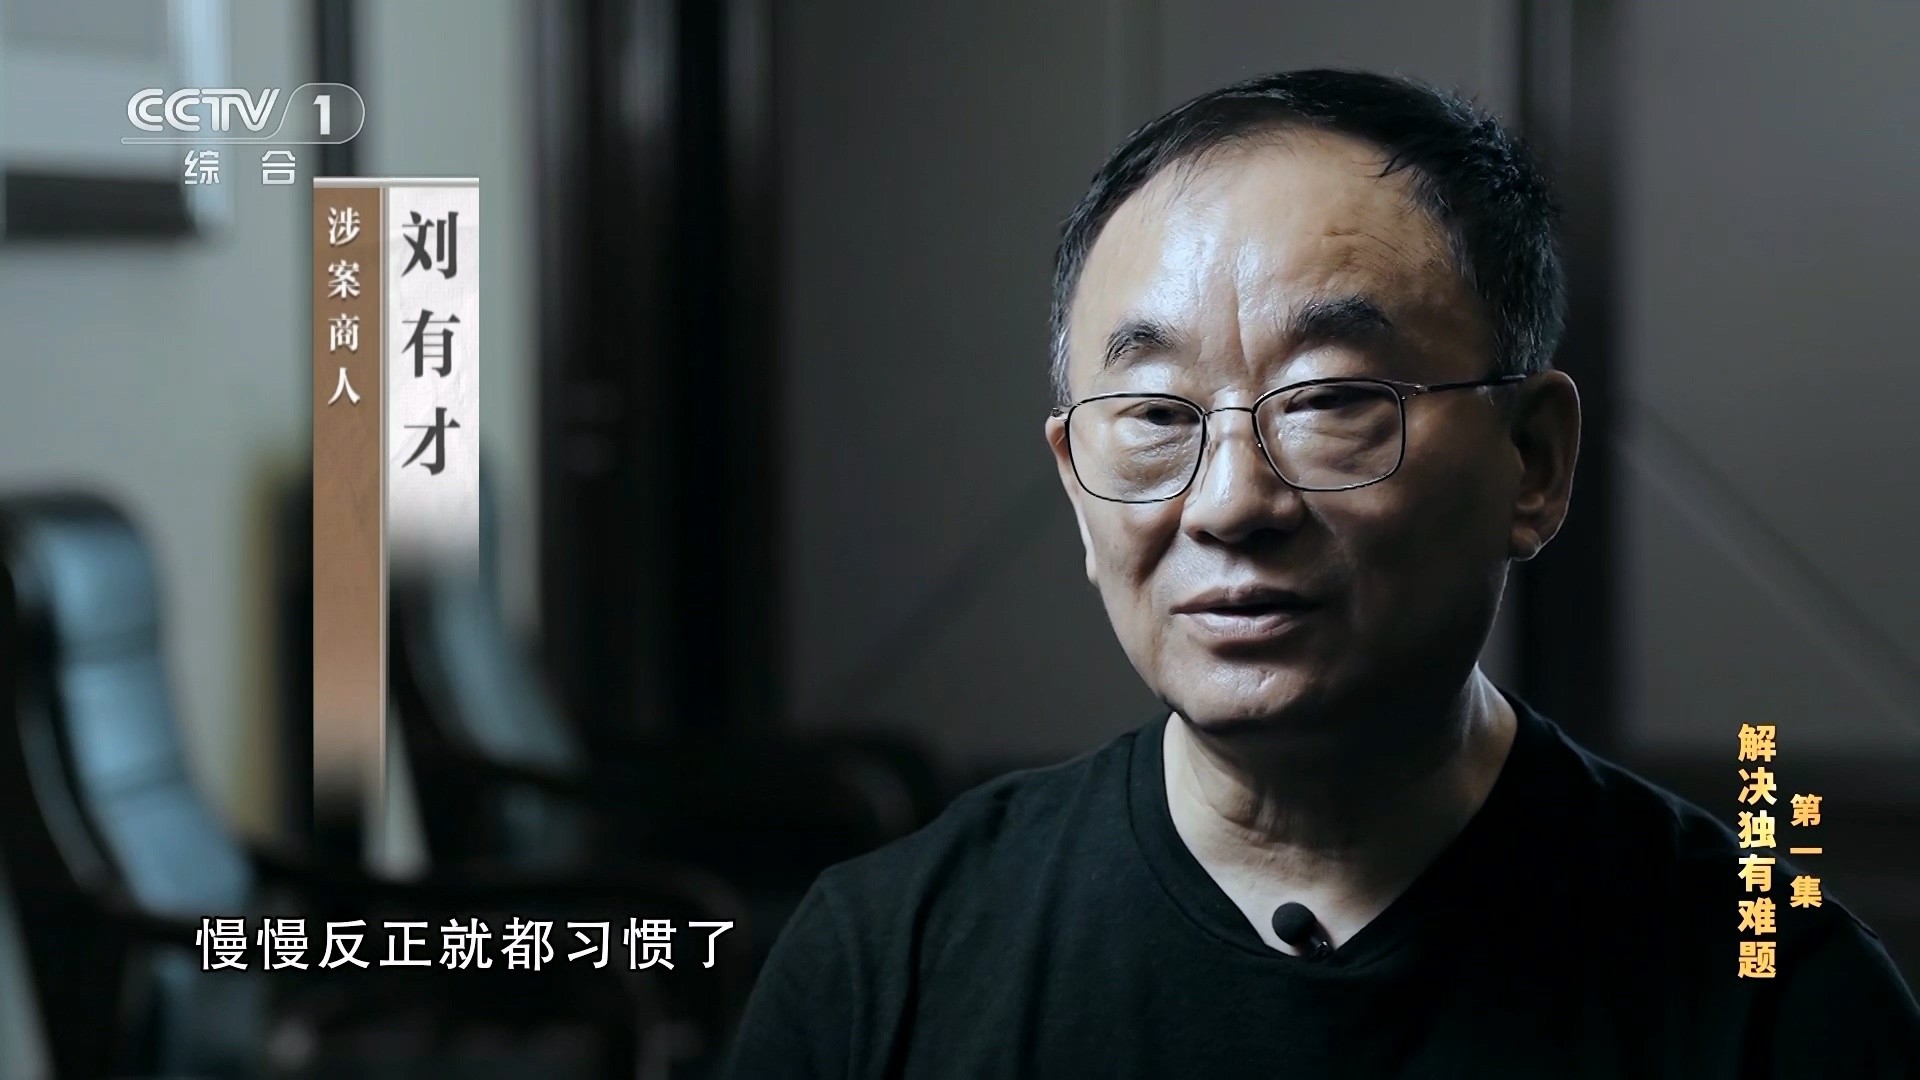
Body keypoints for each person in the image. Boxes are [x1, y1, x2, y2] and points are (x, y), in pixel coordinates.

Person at [724, 69, 1920, 1078]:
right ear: (1076, 486)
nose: (1231, 503)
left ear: (1533, 462)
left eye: (1331, 400)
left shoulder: (1777, 994)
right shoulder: (881, 964)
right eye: (1156, 415)